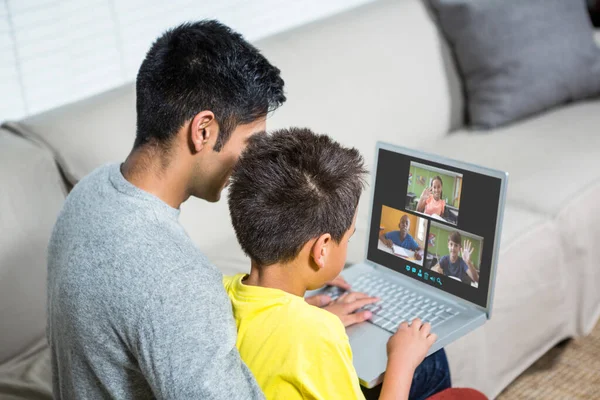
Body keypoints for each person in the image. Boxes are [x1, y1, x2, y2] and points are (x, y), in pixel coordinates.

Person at [46, 21, 368, 399]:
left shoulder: (90, 191)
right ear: (203, 130)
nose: (255, 160)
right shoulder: (176, 281)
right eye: (251, 141)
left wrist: (292, 323)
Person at [224, 128, 450, 400]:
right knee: (432, 361)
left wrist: (307, 314)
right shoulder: (318, 335)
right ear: (321, 250)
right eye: (349, 237)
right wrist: (401, 362)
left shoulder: (222, 292)